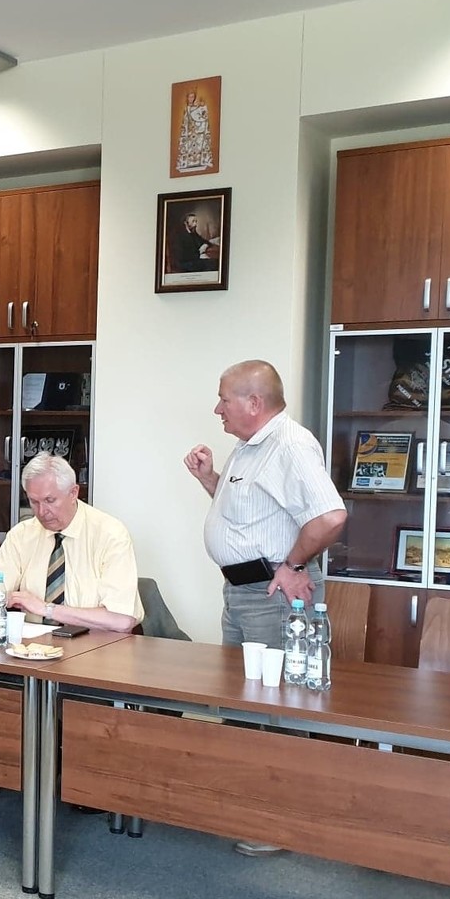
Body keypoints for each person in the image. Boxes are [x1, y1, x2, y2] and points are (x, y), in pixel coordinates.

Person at [185, 360, 349, 859]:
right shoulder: (249, 446)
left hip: (271, 596)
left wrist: (294, 563)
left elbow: (330, 517)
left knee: (279, 707)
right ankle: (250, 808)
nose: (217, 408)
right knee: (242, 704)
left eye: (224, 399)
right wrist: (210, 479)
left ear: (254, 403)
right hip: (241, 593)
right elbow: (249, 516)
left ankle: (279, 822)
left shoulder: (290, 445)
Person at [0, 453, 140, 633]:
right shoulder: (22, 535)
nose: (42, 512)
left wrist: (47, 609)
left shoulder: (110, 534)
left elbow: (121, 620)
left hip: (98, 644)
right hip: (34, 645)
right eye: (34, 502)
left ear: (73, 493)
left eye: (50, 500)